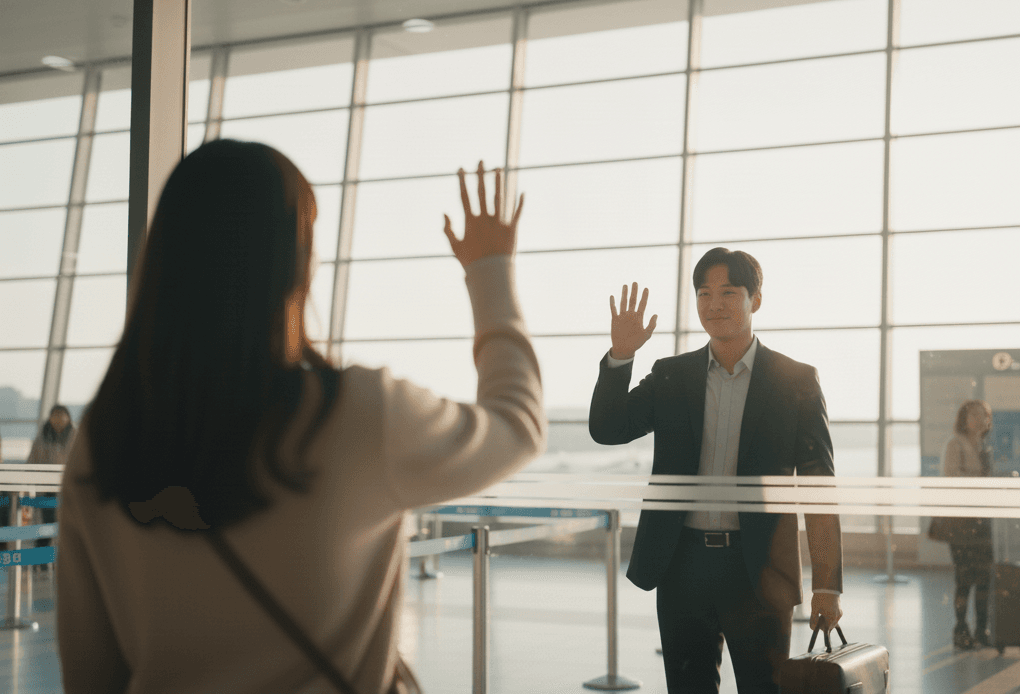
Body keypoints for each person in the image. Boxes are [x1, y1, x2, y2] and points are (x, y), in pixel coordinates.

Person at [56, 140, 544, 694]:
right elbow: (517, 424)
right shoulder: (358, 415)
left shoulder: (103, 440)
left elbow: (90, 675)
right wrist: (490, 271)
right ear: (297, 264)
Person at [589, 247, 843, 694]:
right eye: (704, 293)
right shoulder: (672, 376)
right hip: (682, 565)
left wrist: (828, 585)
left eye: (728, 292)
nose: (714, 304)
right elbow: (608, 429)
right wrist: (620, 355)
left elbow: (820, 484)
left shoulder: (796, 380)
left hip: (760, 571)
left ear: (755, 300)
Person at [941, 399, 994, 650]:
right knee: (964, 578)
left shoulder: (983, 446)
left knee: (984, 578)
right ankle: (961, 629)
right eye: (975, 415)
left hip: (981, 521)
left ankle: (982, 629)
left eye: (985, 415)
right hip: (962, 522)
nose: (981, 419)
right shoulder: (956, 444)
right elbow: (951, 478)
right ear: (965, 419)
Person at [28, 404, 76, 550]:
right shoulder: (42, 437)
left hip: (68, 490)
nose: (58, 419)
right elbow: (31, 462)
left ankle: (63, 561)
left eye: (61, 415)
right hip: (45, 490)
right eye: (55, 415)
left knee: (67, 527)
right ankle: (42, 563)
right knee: (45, 527)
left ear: (68, 418)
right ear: (49, 417)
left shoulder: (75, 437)